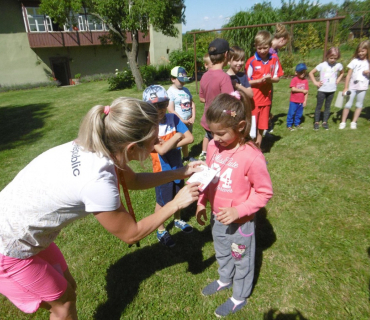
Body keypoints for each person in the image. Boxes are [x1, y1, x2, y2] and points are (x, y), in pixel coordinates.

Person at [0, 97, 202, 319]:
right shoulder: (97, 180)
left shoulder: (101, 145)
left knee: (68, 287)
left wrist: (180, 172)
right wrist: (176, 203)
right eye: (154, 140)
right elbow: (131, 234)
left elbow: (132, 181)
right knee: (63, 303)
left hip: (18, 228)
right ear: (133, 147)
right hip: (7, 246)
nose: (157, 145)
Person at [196, 90, 273, 317]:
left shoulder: (252, 156)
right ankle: (224, 278)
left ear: (240, 127)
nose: (215, 138)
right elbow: (208, 176)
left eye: (220, 133)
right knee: (221, 250)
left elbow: (264, 192)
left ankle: (239, 296)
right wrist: (202, 202)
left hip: (241, 223)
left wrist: (239, 210)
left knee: (241, 258)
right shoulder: (212, 147)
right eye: (212, 133)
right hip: (217, 217)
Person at [143, 85, 195, 248]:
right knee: (163, 202)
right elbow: (161, 149)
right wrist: (177, 136)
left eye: (162, 104)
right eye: (154, 106)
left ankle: (177, 219)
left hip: (178, 167)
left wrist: (171, 142)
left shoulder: (173, 118)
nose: (159, 109)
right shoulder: (149, 127)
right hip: (161, 172)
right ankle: (160, 229)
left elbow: (190, 139)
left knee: (178, 194)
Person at [199, 38, 234, 161]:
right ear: (226, 55)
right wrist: (236, 115)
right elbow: (229, 104)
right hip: (219, 122)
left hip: (207, 120)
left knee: (212, 147)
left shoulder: (204, 75)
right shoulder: (224, 77)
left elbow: (202, 98)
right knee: (221, 152)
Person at [245, 30, 282, 146]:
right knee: (251, 127)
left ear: (270, 46)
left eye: (265, 48)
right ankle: (249, 149)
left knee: (262, 126)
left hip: (266, 100)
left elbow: (277, 78)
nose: (262, 51)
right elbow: (246, 82)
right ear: (255, 46)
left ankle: (258, 149)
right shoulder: (252, 61)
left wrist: (270, 79)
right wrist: (259, 81)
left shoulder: (274, 60)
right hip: (253, 100)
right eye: (259, 48)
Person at [309, 47, 344, 130]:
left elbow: (342, 73)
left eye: (335, 58)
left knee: (327, 106)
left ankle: (325, 122)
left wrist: (338, 79)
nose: (333, 60)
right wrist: (315, 82)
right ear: (327, 56)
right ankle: (316, 122)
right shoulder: (322, 65)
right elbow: (311, 73)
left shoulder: (338, 65)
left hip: (332, 90)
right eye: (331, 58)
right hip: (322, 90)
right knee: (319, 106)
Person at [338, 40, 370, 129]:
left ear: (367, 51)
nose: (360, 53)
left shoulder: (368, 62)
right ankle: (343, 122)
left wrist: (368, 72)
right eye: (359, 51)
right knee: (348, 104)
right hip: (352, 87)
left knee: (359, 104)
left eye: (362, 51)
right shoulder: (354, 61)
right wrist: (345, 88)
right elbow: (348, 75)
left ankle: (354, 122)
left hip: (362, 87)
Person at [167, 66, 196, 163]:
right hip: (178, 122)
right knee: (179, 140)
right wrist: (181, 120)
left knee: (186, 140)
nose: (183, 82)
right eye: (180, 80)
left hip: (188, 121)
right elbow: (170, 109)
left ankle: (186, 157)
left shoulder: (186, 90)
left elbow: (192, 103)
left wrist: (193, 117)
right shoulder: (170, 92)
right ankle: (176, 158)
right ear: (173, 79)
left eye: (184, 80)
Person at [287, 63, 309, 131]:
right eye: (301, 72)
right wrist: (302, 90)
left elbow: (306, 91)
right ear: (296, 72)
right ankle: (289, 125)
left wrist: (305, 101)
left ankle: (297, 124)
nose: (303, 74)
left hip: (301, 101)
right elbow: (293, 89)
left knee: (299, 114)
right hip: (293, 101)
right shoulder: (294, 79)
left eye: (304, 72)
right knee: (291, 113)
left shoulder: (305, 81)